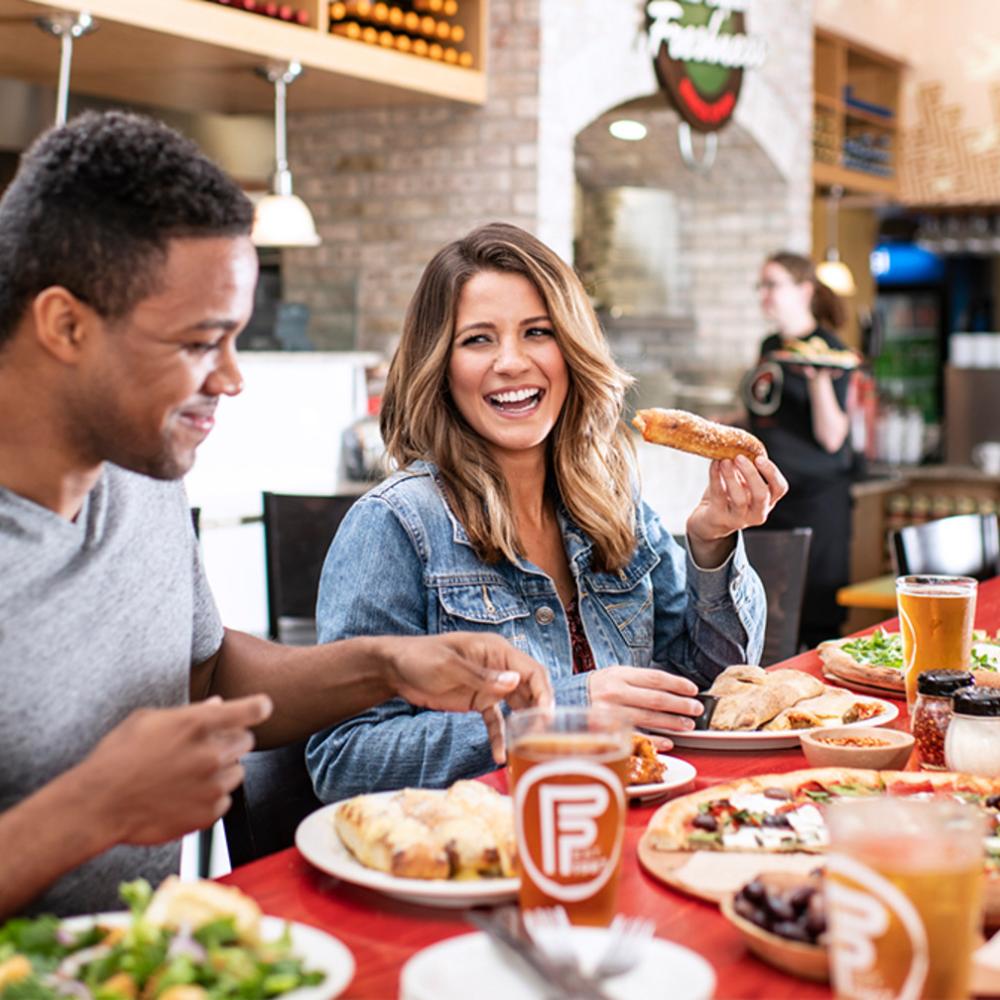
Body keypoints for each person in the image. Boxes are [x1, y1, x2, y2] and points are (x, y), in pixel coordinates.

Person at [0, 112, 553, 920]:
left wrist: (389, 668)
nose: (231, 378)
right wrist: (93, 808)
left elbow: (206, 674)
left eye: (237, 339)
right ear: (65, 324)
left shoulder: (140, 471)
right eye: (200, 342)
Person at [307, 223, 788, 801]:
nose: (511, 362)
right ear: (440, 365)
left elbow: (707, 688)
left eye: (537, 332)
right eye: (478, 339)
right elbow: (344, 759)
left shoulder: (610, 502)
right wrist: (562, 713)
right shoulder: (396, 524)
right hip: (488, 860)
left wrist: (711, 543)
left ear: (571, 349)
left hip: (624, 827)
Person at [741, 251, 854, 650]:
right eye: (762, 286)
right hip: (770, 496)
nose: (765, 295)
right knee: (767, 613)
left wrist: (820, 380)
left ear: (804, 290)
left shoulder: (827, 349)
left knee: (814, 617)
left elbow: (832, 437)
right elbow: (768, 411)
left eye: (773, 285)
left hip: (815, 501)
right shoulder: (770, 345)